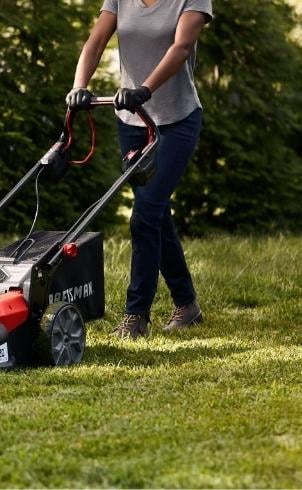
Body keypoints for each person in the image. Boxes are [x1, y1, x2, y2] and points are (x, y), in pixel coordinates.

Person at [66, 0, 213, 340]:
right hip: (132, 122)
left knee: (145, 214)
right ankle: (187, 304)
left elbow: (182, 46)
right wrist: (79, 85)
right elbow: (96, 40)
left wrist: (144, 89)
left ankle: (136, 314)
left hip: (177, 121)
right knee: (156, 213)